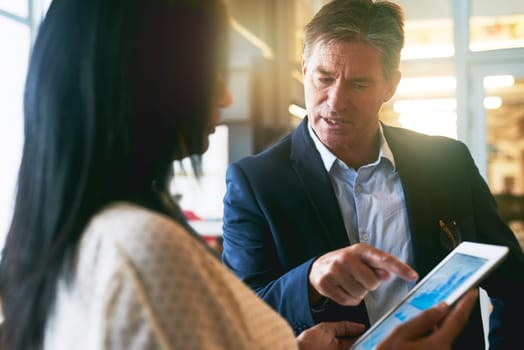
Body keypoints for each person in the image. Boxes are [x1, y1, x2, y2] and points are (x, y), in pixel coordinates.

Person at [0, 0, 477, 349]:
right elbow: (245, 303)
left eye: (359, 83)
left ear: (390, 85)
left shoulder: (96, 238)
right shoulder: (142, 247)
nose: (227, 97)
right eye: (212, 71)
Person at [221, 0, 524, 349]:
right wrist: (308, 280)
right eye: (324, 78)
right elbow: (240, 314)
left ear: (390, 86)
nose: (335, 101)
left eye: (359, 85)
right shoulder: (256, 182)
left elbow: (513, 283)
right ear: (305, 70)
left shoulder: (447, 162)